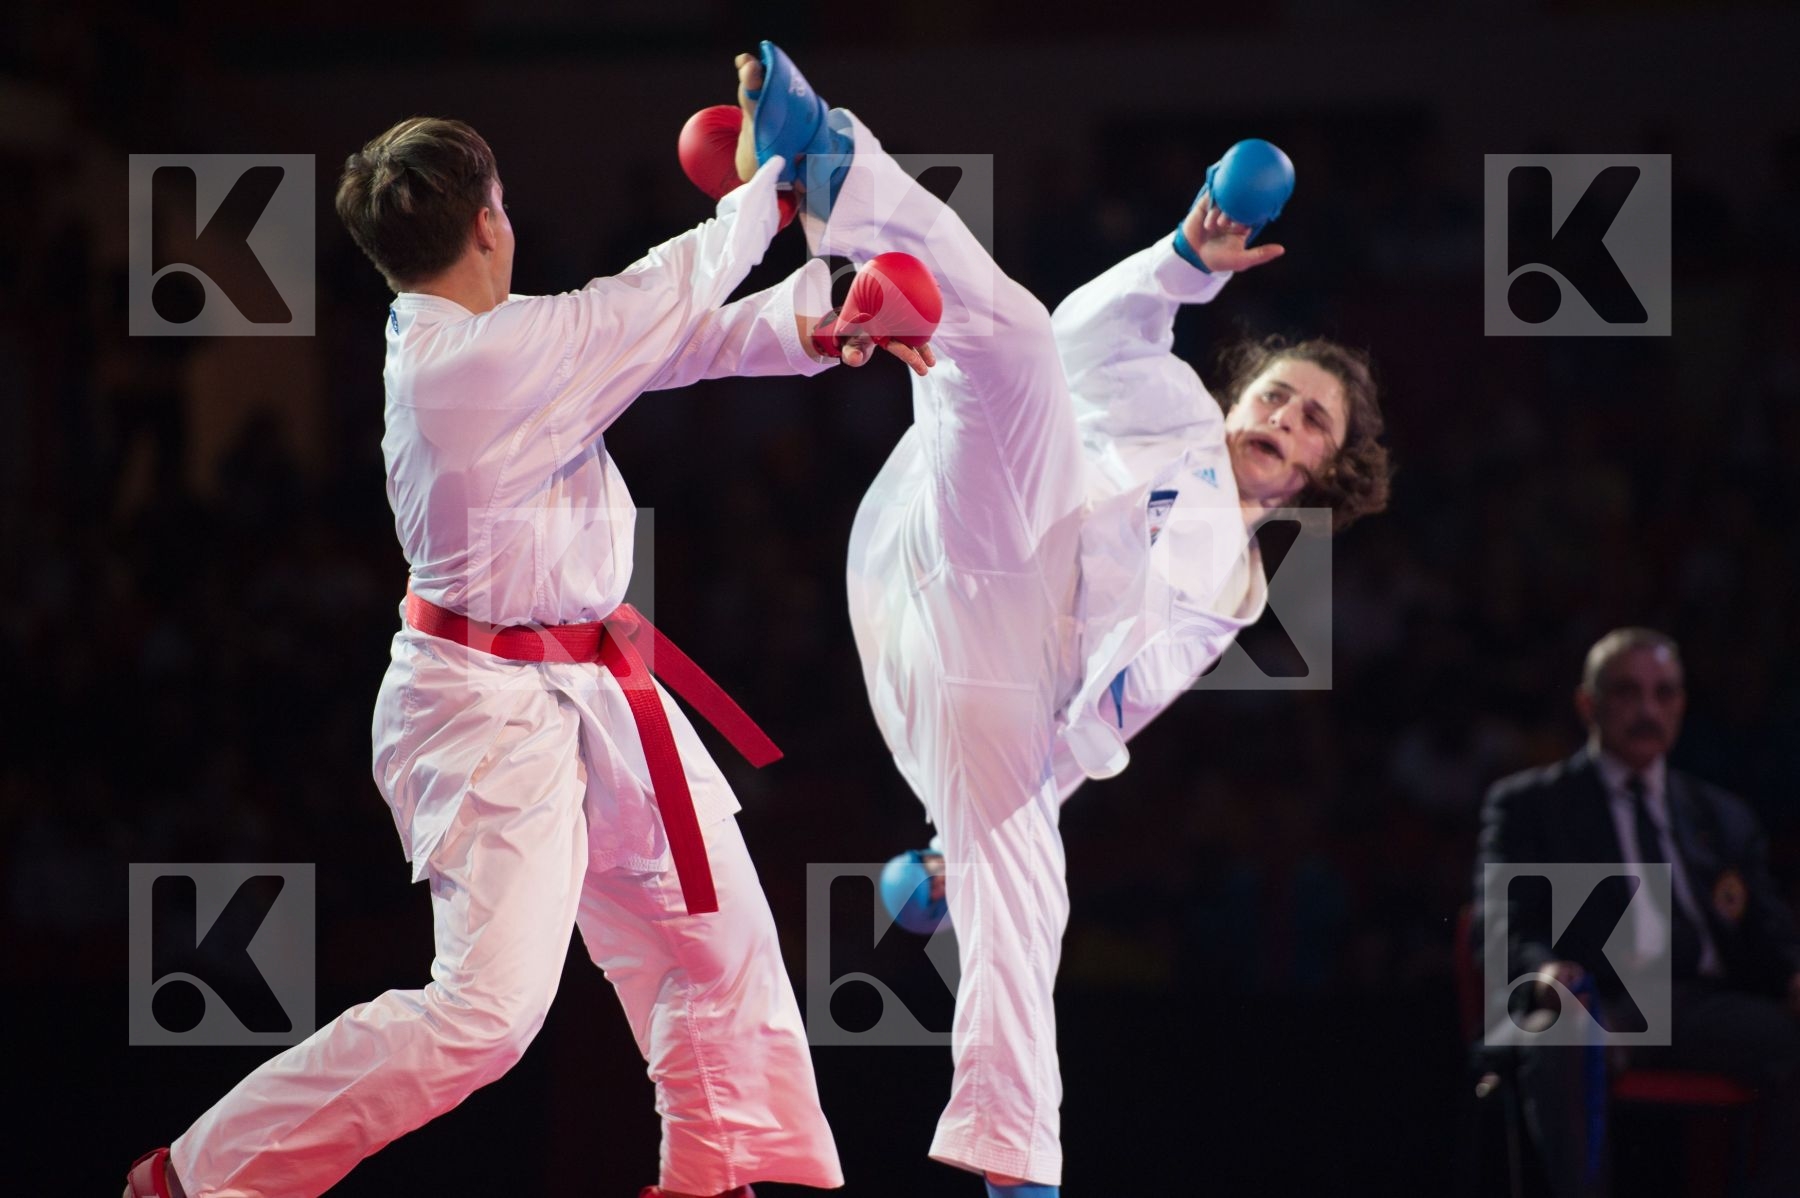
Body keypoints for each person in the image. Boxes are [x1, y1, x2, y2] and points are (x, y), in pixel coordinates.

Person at [124, 108, 932, 1198]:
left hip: (585, 682)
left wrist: (822, 326)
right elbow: (646, 304)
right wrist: (770, 193)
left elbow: (666, 343)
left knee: (712, 932)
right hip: (486, 706)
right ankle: (195, 1178)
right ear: (491, 220)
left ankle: (716, 1177)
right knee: (486, 1015)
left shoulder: (487, 344)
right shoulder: (477, 363)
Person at [731, 42, 1392, 1196]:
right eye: (1281, 393)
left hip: (1002, 675)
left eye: (1315, 425)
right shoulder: (1165, 391)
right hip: (959, 534)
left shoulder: (1233, 588)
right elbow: (1101, 325)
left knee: (1032, 887)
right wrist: (1186, 264)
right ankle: (831, 163)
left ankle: (1013, 1167)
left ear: (1318, 479)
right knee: (1027, 340)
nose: (1288, 418)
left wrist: (956, 846)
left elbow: (1098, 716)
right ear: (1242, 391)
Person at [1476, 627, 1800, 1198]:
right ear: (1588, 703)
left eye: (1665, 693)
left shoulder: (1722, 816)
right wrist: (1546, 972)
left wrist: (1794, 974)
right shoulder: (1530, 806)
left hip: (1703, 1004)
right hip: (1599, 1003)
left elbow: (1767, 931)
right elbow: (1507, 926)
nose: (1648, 710)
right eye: (1627, 692)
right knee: (1559, 1035)